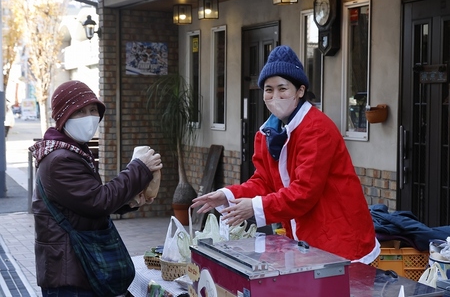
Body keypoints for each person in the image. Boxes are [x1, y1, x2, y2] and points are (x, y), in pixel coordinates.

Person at [192, 45, 380, 263]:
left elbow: (304, 192)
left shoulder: (317, 129)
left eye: (283, 89)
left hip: (340, 237)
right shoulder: (267, 133)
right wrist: (228, 195)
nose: (275, 96)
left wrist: (254, 206)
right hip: (306, 239)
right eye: (269, 89)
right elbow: (264, 182)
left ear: (300, 91)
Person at [29, 80, 163, 296]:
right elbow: (98, 202)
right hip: (69, 275)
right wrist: (139, 168)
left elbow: (87, 203)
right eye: (80, 111)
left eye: (93, 110)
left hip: (79, 267)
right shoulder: (60, 159)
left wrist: (131, 201)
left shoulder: (73, 151)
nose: (89, 117)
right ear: (64, 116)